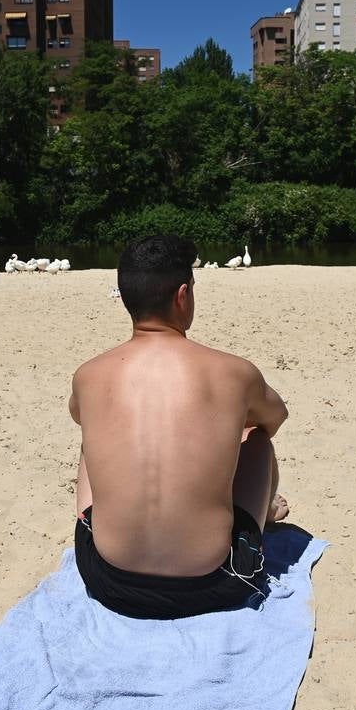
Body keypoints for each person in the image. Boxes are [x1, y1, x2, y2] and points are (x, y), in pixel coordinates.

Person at [67, 234, 290, 620]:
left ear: (124, 298)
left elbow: (79, 415)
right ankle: (262, 514)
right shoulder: (233, 372)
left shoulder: (88, 375)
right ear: (182, 296)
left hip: (108, 579)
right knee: (256, 441)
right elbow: (275, 419)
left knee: (91, 436)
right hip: (214, 583)